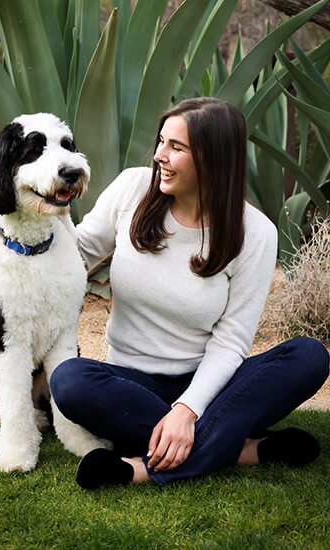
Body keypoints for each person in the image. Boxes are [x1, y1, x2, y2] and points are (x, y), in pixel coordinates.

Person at [50, 97, 329, 489]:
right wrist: (35, 216)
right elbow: (75, 255)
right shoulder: (133, 188)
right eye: (161, 141)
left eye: (176, 147)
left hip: (211, 384)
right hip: (130, 385)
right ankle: (240, 448)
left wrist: (188, 409)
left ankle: (138, 469)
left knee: (309, 356)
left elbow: (231, 342)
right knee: (69, 381)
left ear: (212, 159)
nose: (160, 156)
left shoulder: (255, 232)